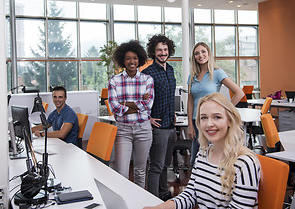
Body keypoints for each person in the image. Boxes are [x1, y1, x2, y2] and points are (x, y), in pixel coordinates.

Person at [144, 92, 261, 209]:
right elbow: (191, 194)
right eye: (204, 118)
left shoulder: (245, 163)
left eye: (217, 117)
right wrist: (161, 207)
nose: (209, 124)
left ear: (230, 120)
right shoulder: (203, 154)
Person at [187, 42, 244, 166]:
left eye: (203, 52)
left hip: (212, 122)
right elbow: (190, 101)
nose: (200, 55)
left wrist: (225, 110)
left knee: (213, 160)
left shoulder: (217, 73)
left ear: (208, 54)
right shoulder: (192, 76)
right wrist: (190, 124)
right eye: (197, 53)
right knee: (195, 161)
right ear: (194, 57)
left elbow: (239, 93)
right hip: (197, 123)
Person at [108, 40, 154, 188]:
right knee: (121, 173)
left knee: (140, 171)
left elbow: (148, 105)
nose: (132, 61)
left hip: (143, 129)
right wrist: (138, 103)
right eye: (128, 58)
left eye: (135, 58)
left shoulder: (147, 79)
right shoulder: (114, 81)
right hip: (123, 130)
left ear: (139, 59)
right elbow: (115, 108)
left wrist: (125, 104)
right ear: (123, 60)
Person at [142, 34, 176, 200]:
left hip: (171, 125)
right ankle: (153, 199)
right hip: (158, 127)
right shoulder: (147, 73)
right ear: (153, 52)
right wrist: (147, 118)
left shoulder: (170, 70)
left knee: (165, 165)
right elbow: (139, 99)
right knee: (156, 166)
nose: (163, 53)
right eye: (159, 50)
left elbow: (169, 96)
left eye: (165, 49)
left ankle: (163, 194)